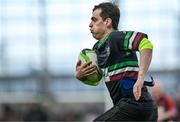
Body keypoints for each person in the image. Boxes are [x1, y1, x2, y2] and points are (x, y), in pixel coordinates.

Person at [76, 2, 157, 121]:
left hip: (135, 104)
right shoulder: (97, 49)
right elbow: (97, 79)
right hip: (133, 107)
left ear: (107, 22)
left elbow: (146, 44)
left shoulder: (116, 37)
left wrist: (140, 78)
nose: (90, 24)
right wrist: (80, 76)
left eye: (94, 20)